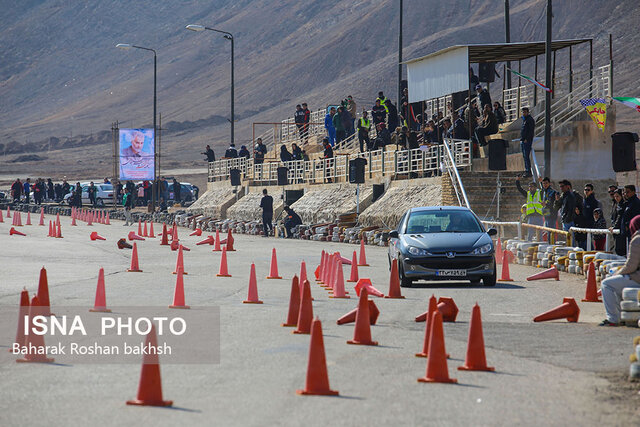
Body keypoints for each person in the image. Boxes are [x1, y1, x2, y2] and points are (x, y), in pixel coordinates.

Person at [599, 215, 640, 326]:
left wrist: (617, 273)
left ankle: (613, 318)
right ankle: (622, 316)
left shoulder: (637, 240)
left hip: (637, 278)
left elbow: (631, 266)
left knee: (607, 284)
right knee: (618, 285)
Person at [520, 107, 536, 177]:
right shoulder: (524, 120)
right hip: (523, 140)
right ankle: (526, 169)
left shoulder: (530, 120)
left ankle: (528, 171)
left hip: (527, 140)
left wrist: (527, 138)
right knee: (524, 156)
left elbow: (531, 131)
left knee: (526, 155)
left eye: (525, 112)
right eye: (523, 112)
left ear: (527, 112)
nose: (524, 113)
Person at [611, 189, 627, 256]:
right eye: (615, 197)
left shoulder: (622, 205)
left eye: (617, 196)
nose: (616, 198)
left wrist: (614, 227)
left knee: (620, 250)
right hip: (617, 231)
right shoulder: (616, 204)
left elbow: (619, 217)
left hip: (621, 231)